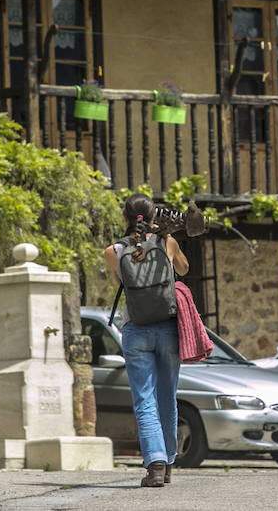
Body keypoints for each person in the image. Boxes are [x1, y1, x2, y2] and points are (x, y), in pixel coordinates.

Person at [104, 193, 189, 488]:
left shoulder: (113, 251)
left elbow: (121, 284)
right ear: (154, 216)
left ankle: (154, 465)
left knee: (144, 400)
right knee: (168, 397)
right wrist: (169, 239)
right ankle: (167, 465)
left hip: (136, 329)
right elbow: (184, 270)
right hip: (167, 327)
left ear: (125, 217)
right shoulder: (167, 242)